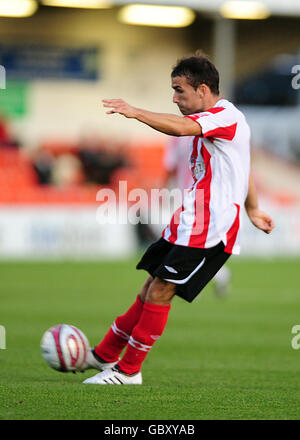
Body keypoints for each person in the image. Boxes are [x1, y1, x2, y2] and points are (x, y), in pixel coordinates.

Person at [82, 52, 274, 385]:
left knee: (160, 292)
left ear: (202, 89)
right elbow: (243, 171)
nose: (174, 98)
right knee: (148, 289)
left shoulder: (223, 117)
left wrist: (135, 111)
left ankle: (129, 372)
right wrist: (253, 208)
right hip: (188, 220)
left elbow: (184, 129)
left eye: (179, 90)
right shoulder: (221, 122)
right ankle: (104, 355)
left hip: (209, 229)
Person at [163, 135, 232, 297]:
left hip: (197, 197)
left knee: (187, 242)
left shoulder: (201, 132)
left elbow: (169, 166)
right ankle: (213, 274)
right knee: (187, 241)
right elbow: (170, 165)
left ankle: (192, 278)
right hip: (189, 196)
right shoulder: (185, 134)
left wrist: (163, 188)